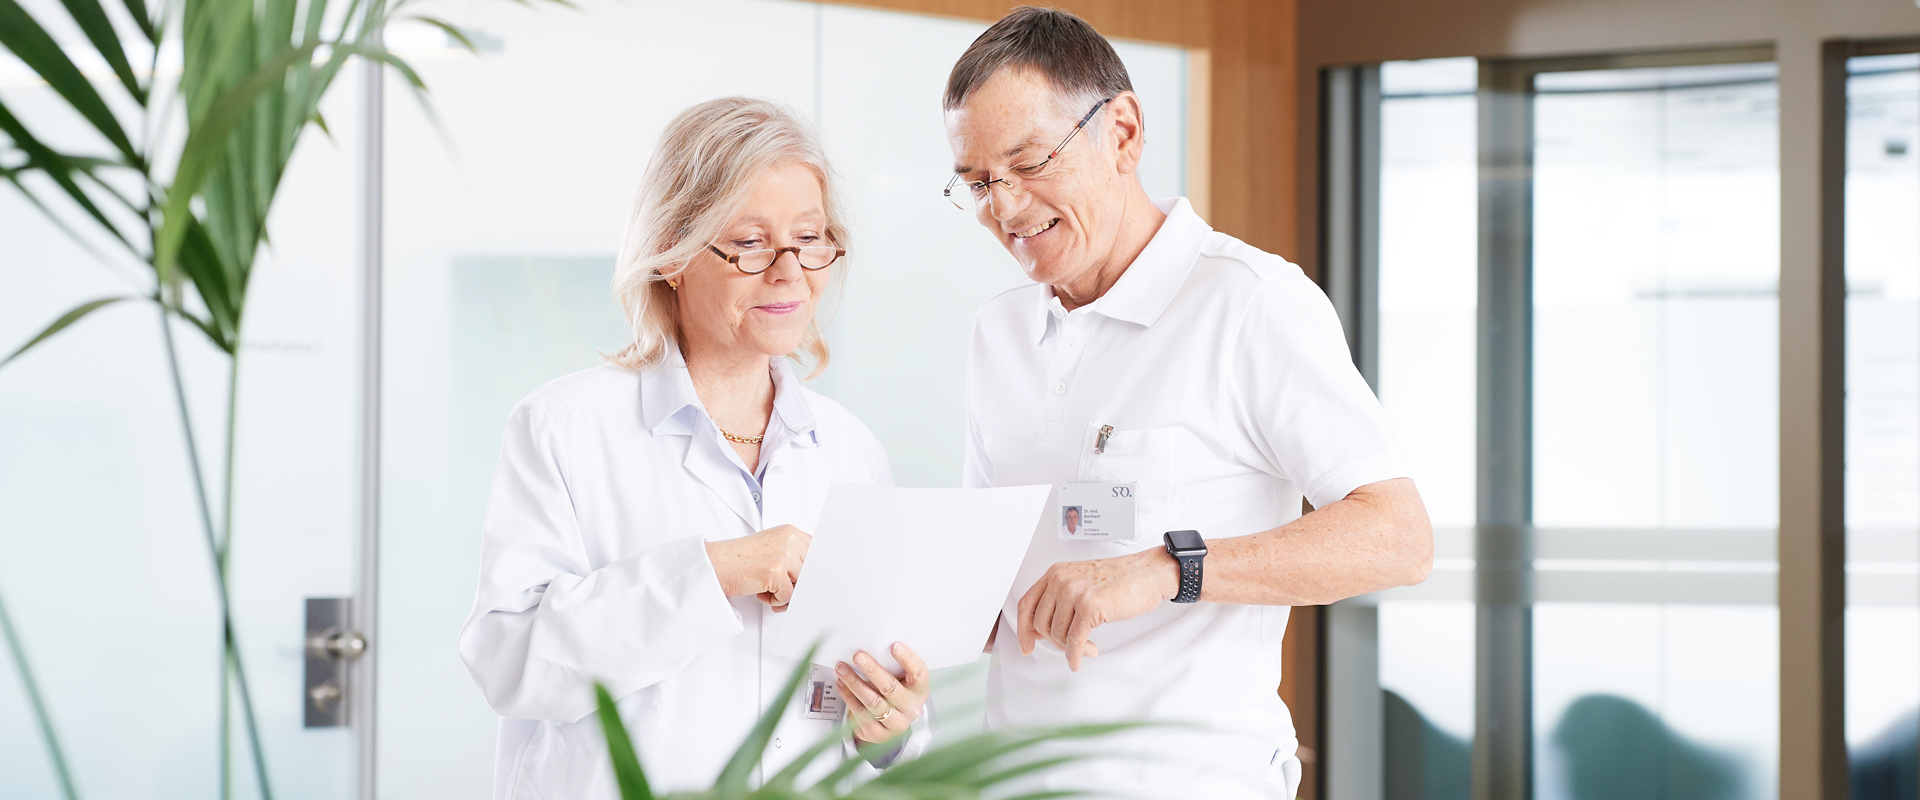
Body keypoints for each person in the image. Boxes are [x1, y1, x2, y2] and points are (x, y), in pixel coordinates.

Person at [944, 8, 1434, 798]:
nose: (1004, 209)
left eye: (1028, 163)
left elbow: (1398, 537)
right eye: (978, 183)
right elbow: (989, 569)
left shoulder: (1250, 303)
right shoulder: (997, 330)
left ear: (1124, 133)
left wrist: (1171, 567)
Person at [459, 97, 932, 799]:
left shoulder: (851, 451)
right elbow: (510, 664)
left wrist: (892, 729)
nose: (789, 270)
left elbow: (885, 695)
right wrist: (712, 574)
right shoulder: (563, 427)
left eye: (809, 237)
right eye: (748, 242)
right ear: (674, 254)